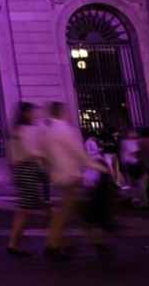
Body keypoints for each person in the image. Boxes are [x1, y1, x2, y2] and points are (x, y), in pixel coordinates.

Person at [39, 101, 94, 260]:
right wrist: (96, 167)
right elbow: (78, 153)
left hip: (60, 175)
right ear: (61, 112)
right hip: (70, 174)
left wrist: (50, 170)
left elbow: (44, 155)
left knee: (68, 210)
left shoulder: (47, 131)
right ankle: (53, 244)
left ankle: (60, 242)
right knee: (66, 211)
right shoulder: (65, 130)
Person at [5, 102, 49, 255]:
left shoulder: (18, 130)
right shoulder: (23, 131)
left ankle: (13, 243)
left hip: (24, 171)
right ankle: (14, 244)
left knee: (25, 210)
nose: (34, 115)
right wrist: (41, 156)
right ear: (25, 114)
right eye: (31, 112)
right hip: (27, 170)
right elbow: (29, 152)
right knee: (26, 210)